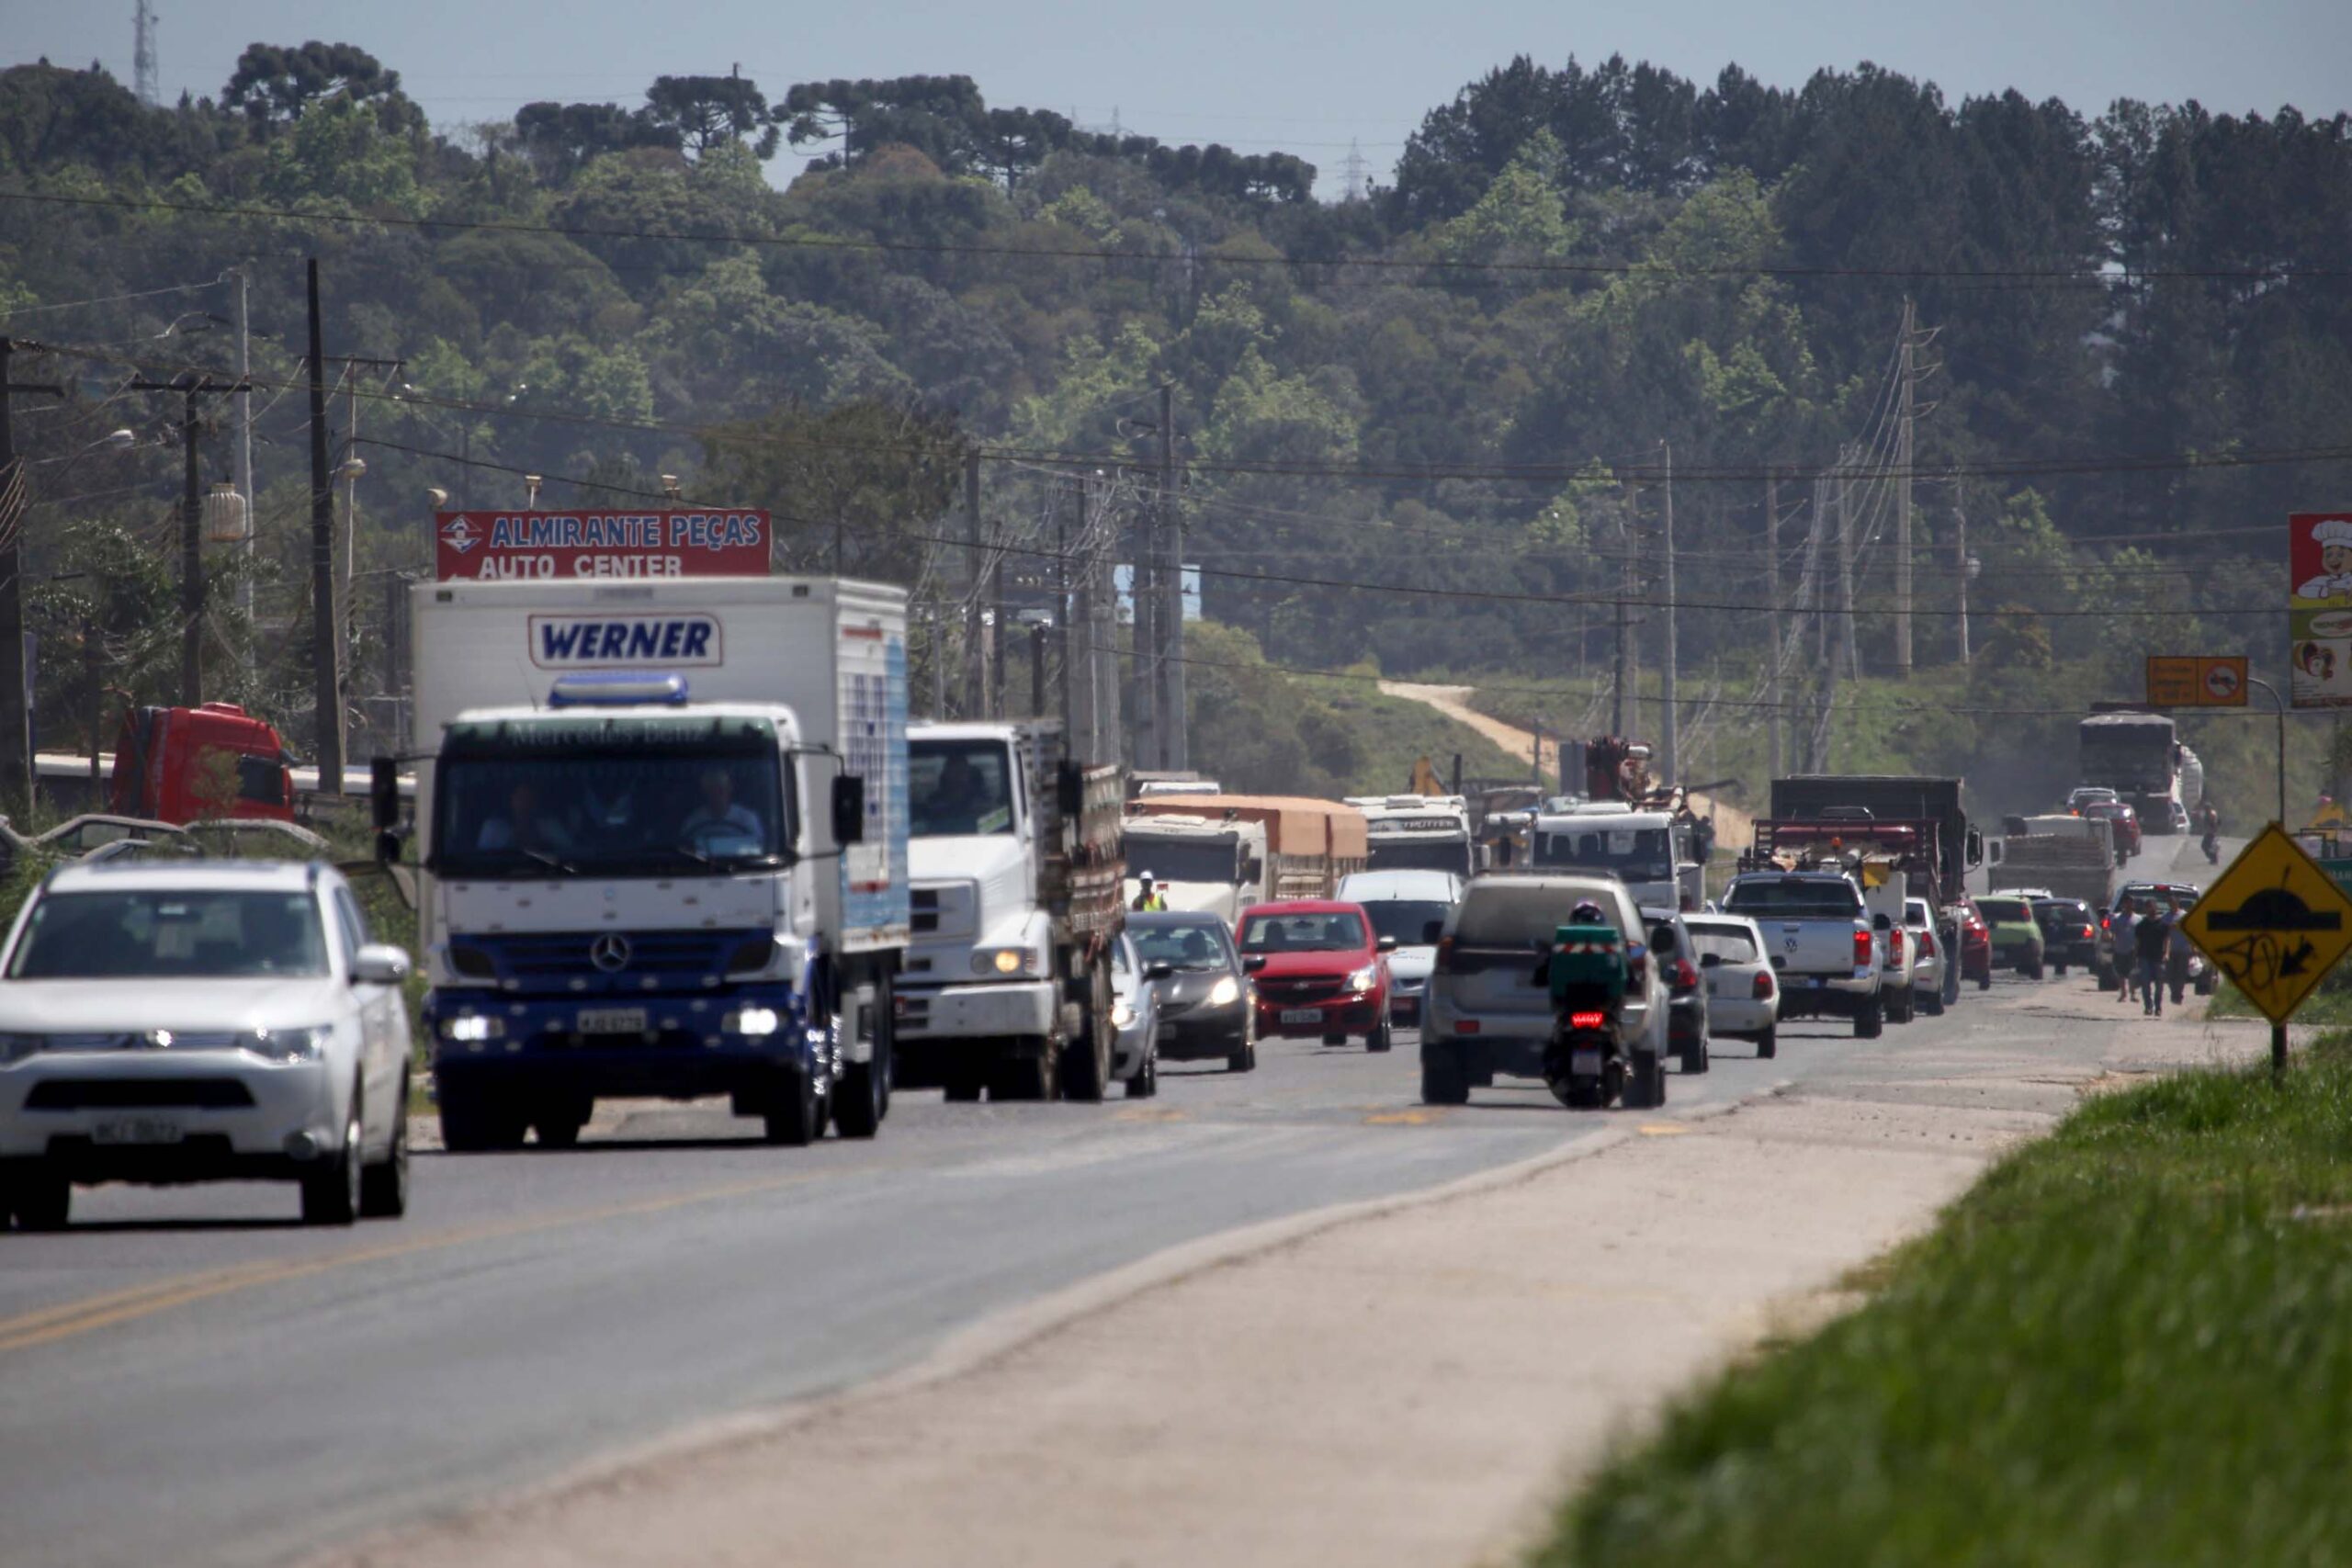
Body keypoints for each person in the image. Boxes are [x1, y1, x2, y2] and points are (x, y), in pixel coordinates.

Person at [477, 780, 572, 853]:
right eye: (521, 798)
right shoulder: (493, 827)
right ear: (512, 800)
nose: (525, 804)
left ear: (536, 802)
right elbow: (482, 857)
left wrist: (543, 843)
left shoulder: (550, 825)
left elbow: (569, 851)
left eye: (529, 799)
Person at [680, 768, 762, 847]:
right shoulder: (694, 821)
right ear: (704, 792)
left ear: (729, 789)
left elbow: (758, 846)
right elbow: (686, 849)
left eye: (721, 790)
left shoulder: (748, 819)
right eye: (711, 791)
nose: (717, 796)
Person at [2297, 518, 2352, 600]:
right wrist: (2332, 592)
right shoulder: (2322, 580)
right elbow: (2302, 591)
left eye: (2340, 555)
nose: (2333, 560)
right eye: (2328, 555)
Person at [2133, 898, 2171, 1017]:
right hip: (2144, 957)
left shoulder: (2163, 925)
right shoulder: (2141, 925)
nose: (2151, 909)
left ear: (2156, 907)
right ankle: (2148, 1006)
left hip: (2158, 958)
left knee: (2159, 985)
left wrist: (2167, 953)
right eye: (2148, 907)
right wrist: (2135, 957)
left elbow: (2167, 940)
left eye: (2153, 906)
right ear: (2146, 909)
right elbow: (2137, 942)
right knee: (2145, 984)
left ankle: (2158, 1007)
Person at [2165, 897, 2194, 1005]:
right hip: (2170, 950)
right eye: (2170, 903)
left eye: (2174, 902)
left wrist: (2193, 948)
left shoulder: (2185, 915)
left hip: (2184, 949)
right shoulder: (2165, 917)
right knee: (2170, 975)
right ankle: (2174, 992)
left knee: (2181, 974)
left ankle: (2178, 994)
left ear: (2178, 903)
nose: (2172, 905)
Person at [2112, 900, 2139, 1003]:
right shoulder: (2116, 918)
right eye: (2126, 903)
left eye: (2131, 904)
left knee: (2132, 973)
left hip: (2133, 950)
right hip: (2119, 949)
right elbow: (2112, 932)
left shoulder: (2138, 919)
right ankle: (2123, 994)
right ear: (2123, 905)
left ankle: (2133, 994)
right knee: (2121, 973)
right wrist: (2111, 940)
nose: (2128, 906)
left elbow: (2140, 935)